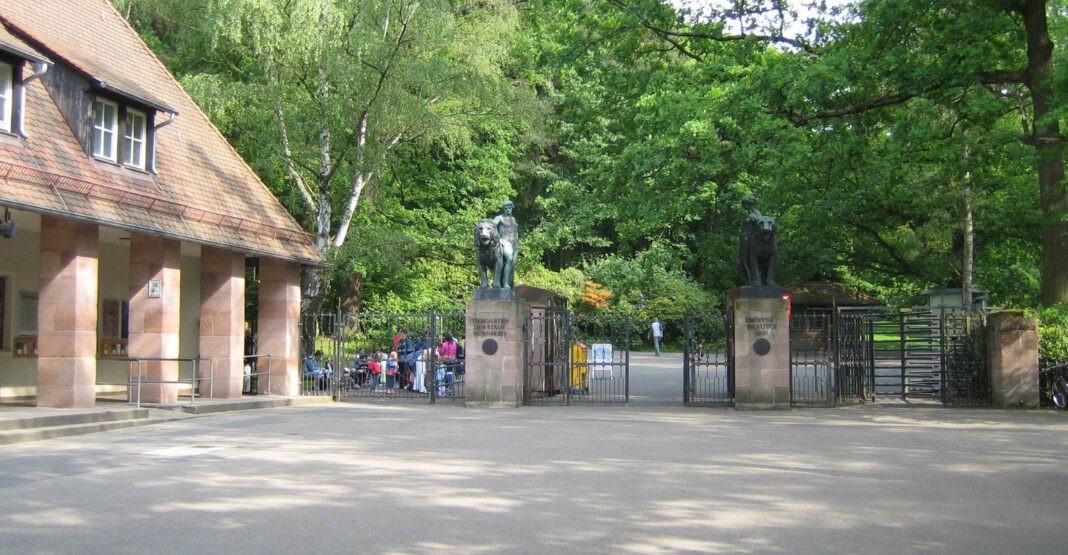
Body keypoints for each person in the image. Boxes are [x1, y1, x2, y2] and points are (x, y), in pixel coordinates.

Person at [492, 200, 519, 289]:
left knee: (512, 265)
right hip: (504, 242)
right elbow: (492, 224)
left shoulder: (513, 219)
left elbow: (515, 232)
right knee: (509, 259)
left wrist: (517, 245)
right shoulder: (499, 218)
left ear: (512, 209)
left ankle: (509, 285)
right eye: (506, 208)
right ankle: (505, 284)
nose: (508, 210)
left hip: (514, 245)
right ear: (503, 209)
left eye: (509, 208)